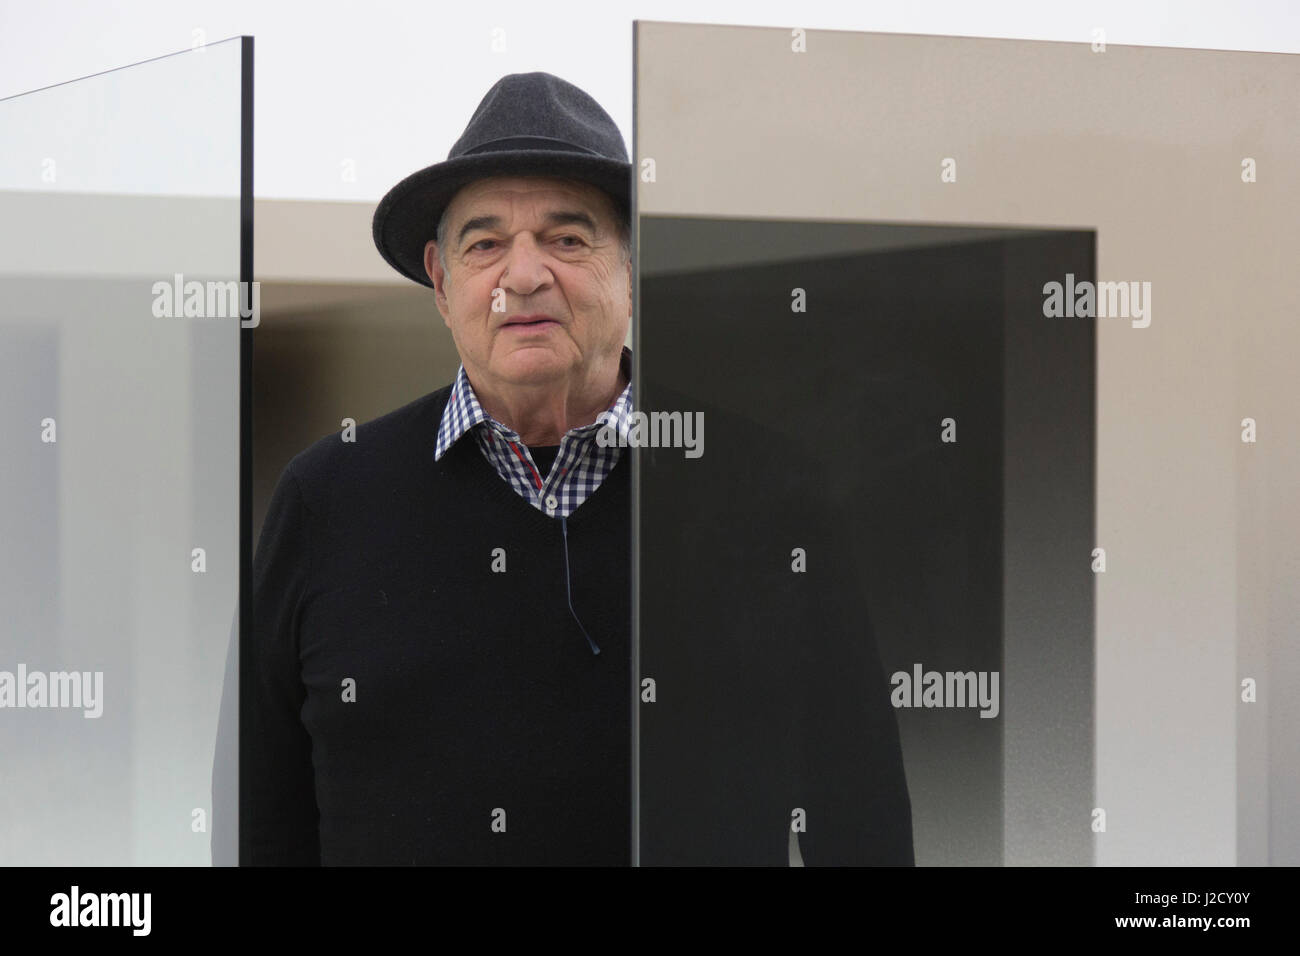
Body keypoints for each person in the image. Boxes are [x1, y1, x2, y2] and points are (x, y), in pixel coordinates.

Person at [229, 71, 913, 866]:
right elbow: (259, 821)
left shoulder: (770, 494)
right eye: (485, 244)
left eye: (567, 238)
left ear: (633, 271)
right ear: (442, 283)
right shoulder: (327, 498)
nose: (523, 276)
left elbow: (860, 821)